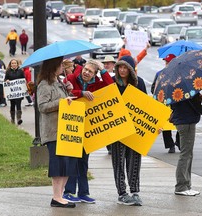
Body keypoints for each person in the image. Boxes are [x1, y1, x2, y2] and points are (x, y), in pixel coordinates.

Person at [63, 60, 113, 204]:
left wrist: (103, 70)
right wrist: (81, 93)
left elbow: (111, 87)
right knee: (72, 159)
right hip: (72, 124)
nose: (86, 72)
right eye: (85, 69)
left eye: (90, 71)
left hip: (88, 127)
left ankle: (83, 193)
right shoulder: (71, 78)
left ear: (94, 74)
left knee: (83, 161)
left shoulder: (97, 83)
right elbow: (65, 91)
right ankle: (69, 192)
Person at [37, 56, 77, 208]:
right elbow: (42, 106)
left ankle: (60, 196)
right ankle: (56, 197)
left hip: (65, 130)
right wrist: (61, 102)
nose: (62, 67)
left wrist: (68, 92)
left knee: (67, 165)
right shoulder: (45, 84)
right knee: (58, 164)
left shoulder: (59, 82)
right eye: (60, 64)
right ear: (53, 66)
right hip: (53, 131)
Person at [111, 55, 147, 206]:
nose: (122, 70)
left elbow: (146, 105)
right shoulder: (112, 83)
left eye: (125, 67)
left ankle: (135, 191)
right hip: (117, 129)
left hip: (135, 130)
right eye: (120, 67)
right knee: (118, 162)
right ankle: (122, 193)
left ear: (131, 69)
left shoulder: (139, 83)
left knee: (134, 161)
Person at [170, 93, 202, 196]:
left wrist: (198, 98)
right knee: (186, 155)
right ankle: (181, 186)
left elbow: (187, 104)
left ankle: (186, 185)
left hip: (182, 121)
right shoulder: (188, 89)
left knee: (187, 154)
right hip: (187, 122)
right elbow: (196, 106)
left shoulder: (177, 87)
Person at [151, 54, 180, 153]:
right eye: (166, 62)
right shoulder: (160, 73)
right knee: (166, 126)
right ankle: (171, 145)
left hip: (175, 103)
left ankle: (178, 142)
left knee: (179, 123)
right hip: (166, 103)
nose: (167, 64)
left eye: (169, 62)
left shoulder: (178, 75)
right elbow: (153, 89)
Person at [101, 55, 116, 154]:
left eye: (108, 63)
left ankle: (113, 146)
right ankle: (109, 146)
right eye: (105, 63)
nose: (106, 65)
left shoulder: (116, 75)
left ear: (113, 64)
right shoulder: (100, 75)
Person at [4, 59, 25, 124]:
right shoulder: (8, 72)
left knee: (18, 104)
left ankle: (19, 118)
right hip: (11, 92)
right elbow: (5, 79)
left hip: (18, 92)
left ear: (17, 64)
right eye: (12, 63)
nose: (14, 64)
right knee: (12, 105)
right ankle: (12, 119)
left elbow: (23, 80)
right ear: (10, 64)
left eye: (15, 63)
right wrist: (6, 80)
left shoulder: (20, 71)